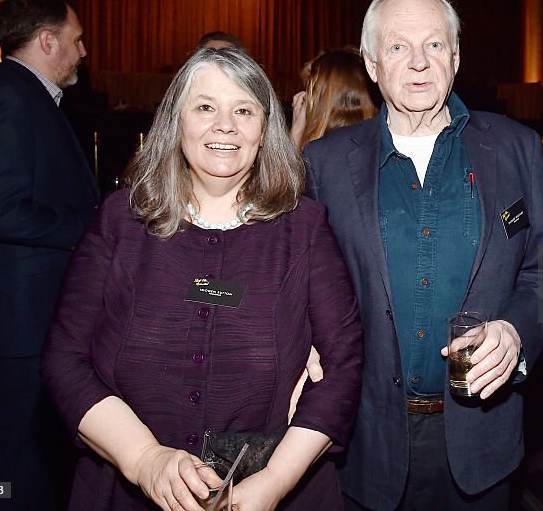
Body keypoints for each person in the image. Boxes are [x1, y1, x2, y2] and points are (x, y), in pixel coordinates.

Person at [42, 46, 363, 511]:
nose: (225, 125)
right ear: (176, 120)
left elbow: (344, 364)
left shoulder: (304, 228)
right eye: (206, 107)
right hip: (125, 494)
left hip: (272, 493)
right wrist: (144, 458)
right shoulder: (119, 222)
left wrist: (274, 480)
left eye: (244, 110)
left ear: (264, 129)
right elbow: (64, 359)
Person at [303, 0, 543, 511]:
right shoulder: (324, 164)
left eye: (435, 45)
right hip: (367, 441)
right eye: (397, 47)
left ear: (456, 58)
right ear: (371, 64)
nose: (419, 62)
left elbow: (542, 272)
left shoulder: (516, 148)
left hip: (483, 437)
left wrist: (515, 331)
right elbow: (303, 287)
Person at [0, 0, 101, 509]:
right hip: (17, 320)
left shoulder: (26, 96)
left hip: (30, 316)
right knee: (15, 460)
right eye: (76, 39)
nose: (83, 51)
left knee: (32, 455)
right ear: (46, 41)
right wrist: (86, 225)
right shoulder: (5, 98)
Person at [289, 48, 377, 149]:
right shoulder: (375, 142)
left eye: (308, 91)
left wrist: (295, 134)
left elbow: (283, 165)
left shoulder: (321, 153)